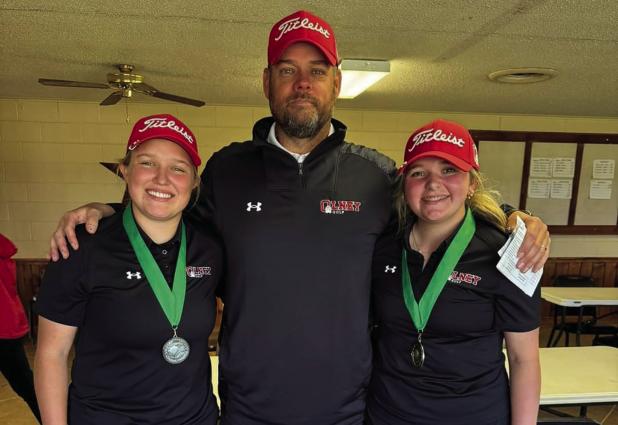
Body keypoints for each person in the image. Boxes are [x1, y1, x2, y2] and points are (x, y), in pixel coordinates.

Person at [46, 11, 549, 425]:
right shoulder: (227, 170)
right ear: (267, 82)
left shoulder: (374, 176)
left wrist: (511, 216)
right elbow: (163, 213)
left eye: (317, 70)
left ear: (337, 81)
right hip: (246, 406)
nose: (302, 83)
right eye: (286, 70)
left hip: (349, 408)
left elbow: (437, 204)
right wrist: (108, 210)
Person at [34, 114, 222, 424]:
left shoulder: (210, 246)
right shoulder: (81, 246)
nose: (162, 179)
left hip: (194, 418)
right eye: (147, 163)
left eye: (178, 168)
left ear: (194, 181)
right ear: (125, 170)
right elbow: (51, 355)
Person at [367, 119, 541, 425]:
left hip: (473, 414)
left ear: (472, 183)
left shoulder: (508, 253)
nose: (434, 185)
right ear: (404, 182)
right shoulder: (383, 245)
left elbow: (523, 359)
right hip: (388, 413)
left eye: (449, 170)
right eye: (419, 173)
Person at [0, 233, 42, 423]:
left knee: (25, 384)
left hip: (4, 328)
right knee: (25, 384)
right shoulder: (4, 254)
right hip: (8, 325)